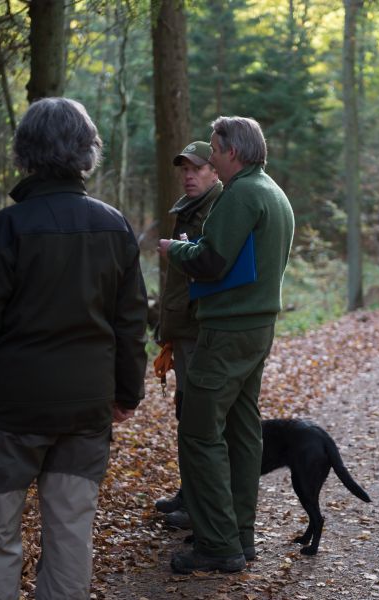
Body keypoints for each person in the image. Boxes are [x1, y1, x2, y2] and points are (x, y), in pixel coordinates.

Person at [0, 97, 148, 599]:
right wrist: (127, 394)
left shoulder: (10, 228)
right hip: (84, 410)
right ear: (87, 153)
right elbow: (130, 325)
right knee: (70, 535)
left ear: (25, 153)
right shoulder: (114, 226)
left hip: (9, 415)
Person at [157, 116, 295, 574]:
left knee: (199, 431)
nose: (210, 157)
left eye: (214, 149)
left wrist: (176, 250)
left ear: (232, 152)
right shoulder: (273, 193)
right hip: (256, 329)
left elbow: (213, 260)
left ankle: (219, 544)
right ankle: (240, 534)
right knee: (240, 430)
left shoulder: (242, 194)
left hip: (228, 331)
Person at [153, 141, 224, 529]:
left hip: (201, 329)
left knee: (200, 418)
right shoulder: (188, 208)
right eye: (184, 169)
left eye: (197, 169)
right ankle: (190, 490)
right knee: (186, 412)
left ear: (215, 171)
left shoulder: (218, 209)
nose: (188, 175)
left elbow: (212, 266)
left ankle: (201, 503)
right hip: (183, 328)